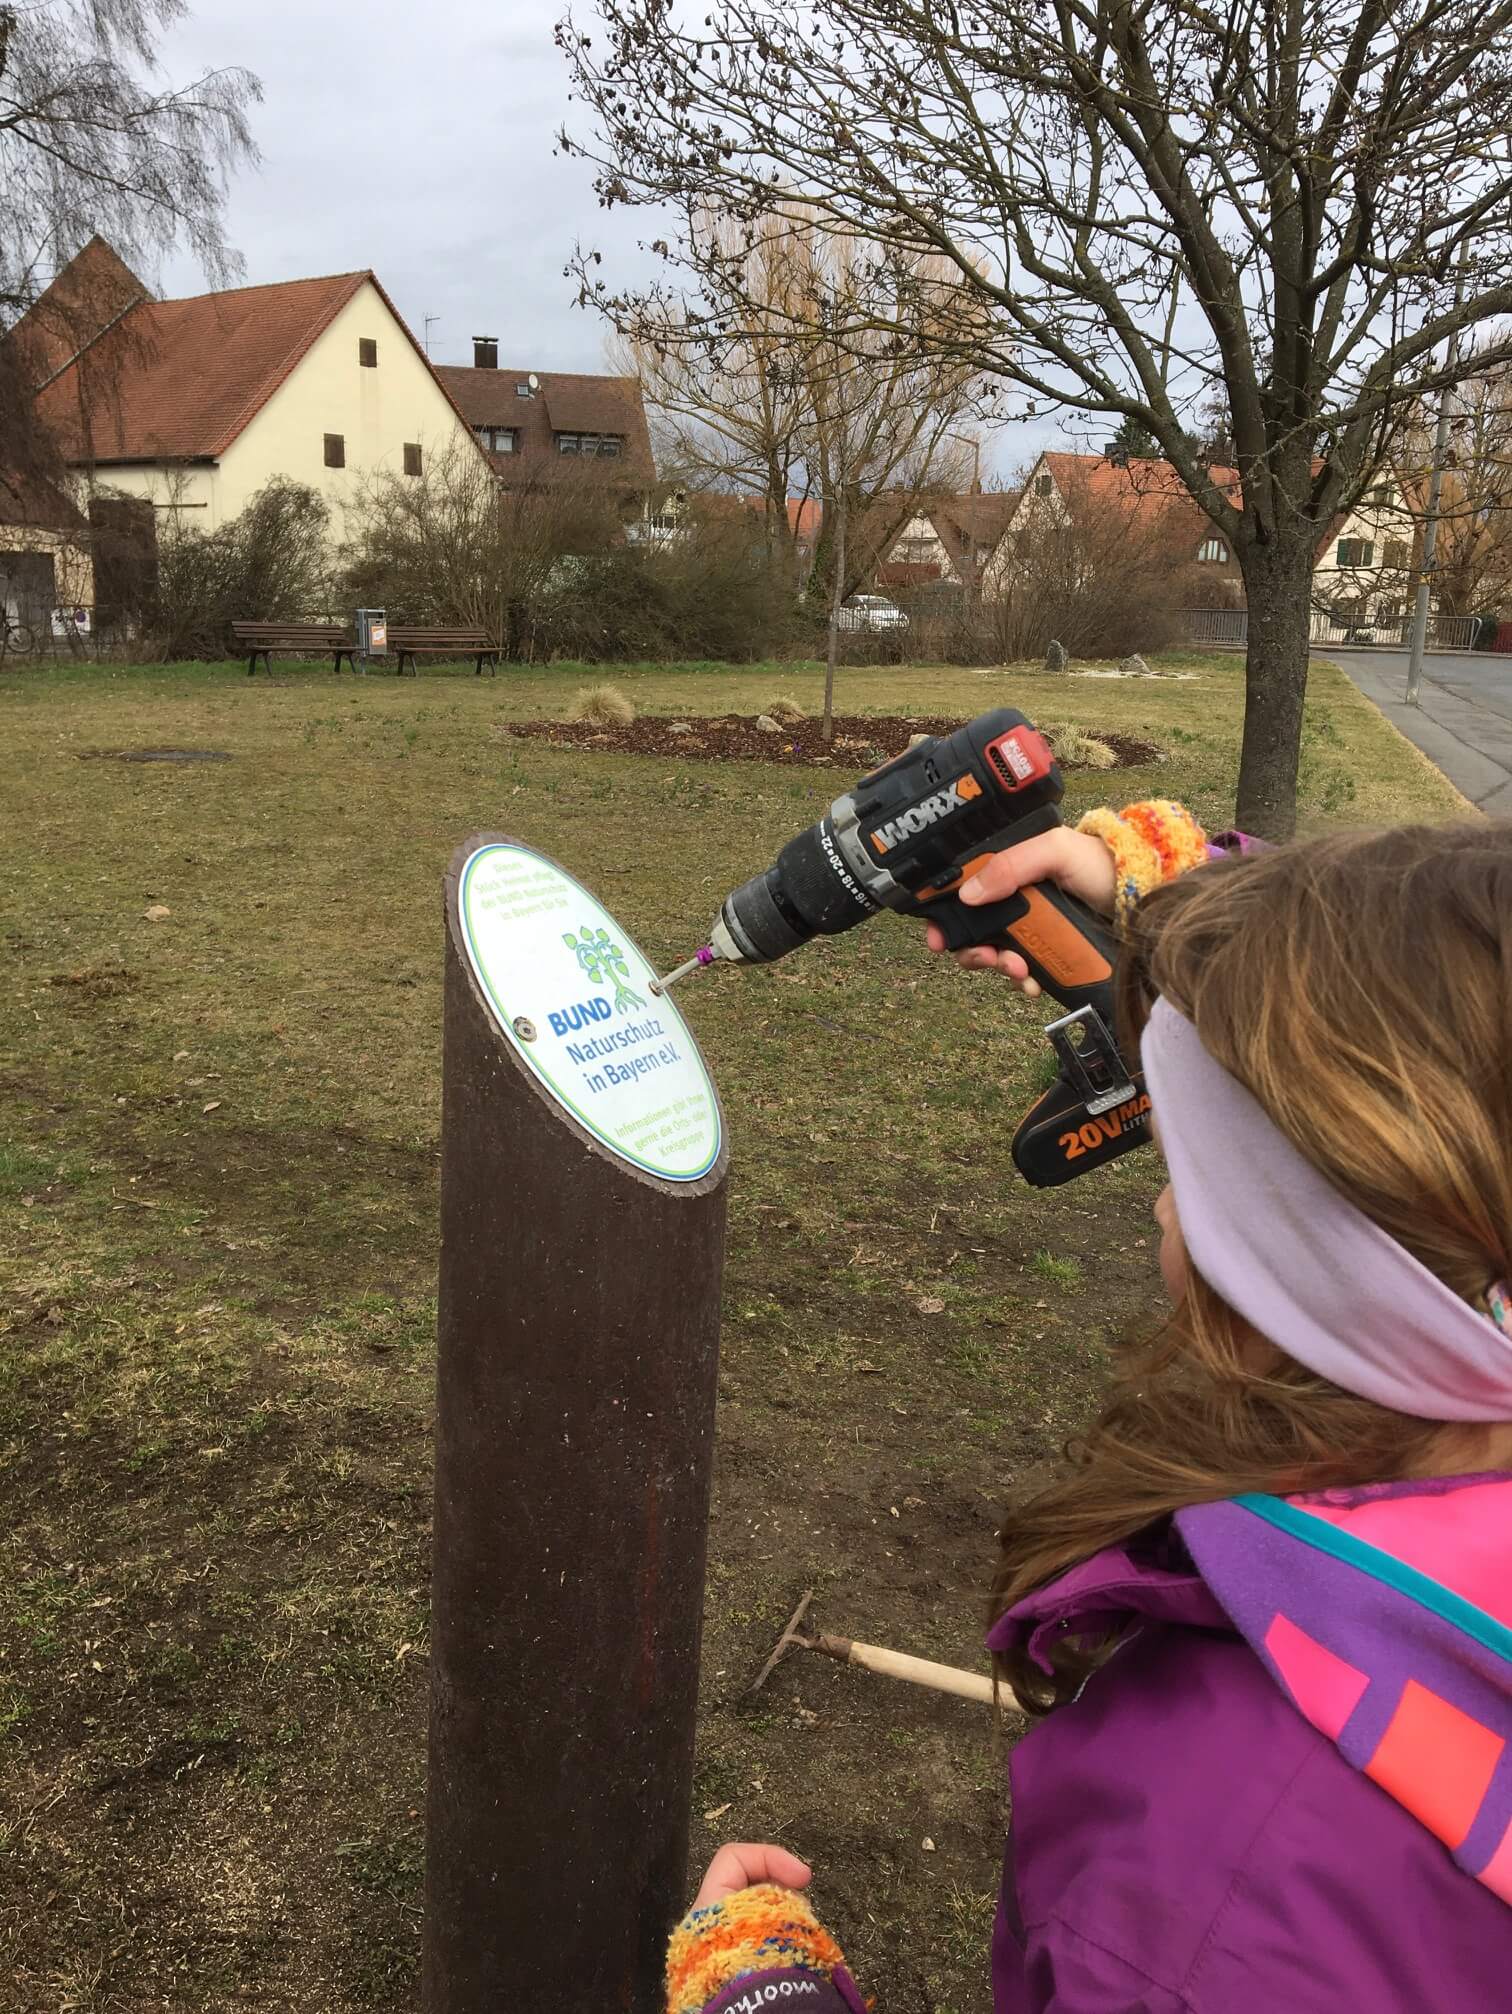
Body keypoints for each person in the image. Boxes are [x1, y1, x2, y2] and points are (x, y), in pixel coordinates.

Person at [665, 804, 1512, 2014]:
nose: (1162, 1208)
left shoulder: (1222, 1871)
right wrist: (1168, 889)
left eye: (1196, 1173)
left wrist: (763, 1996)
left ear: (1323, 1267)